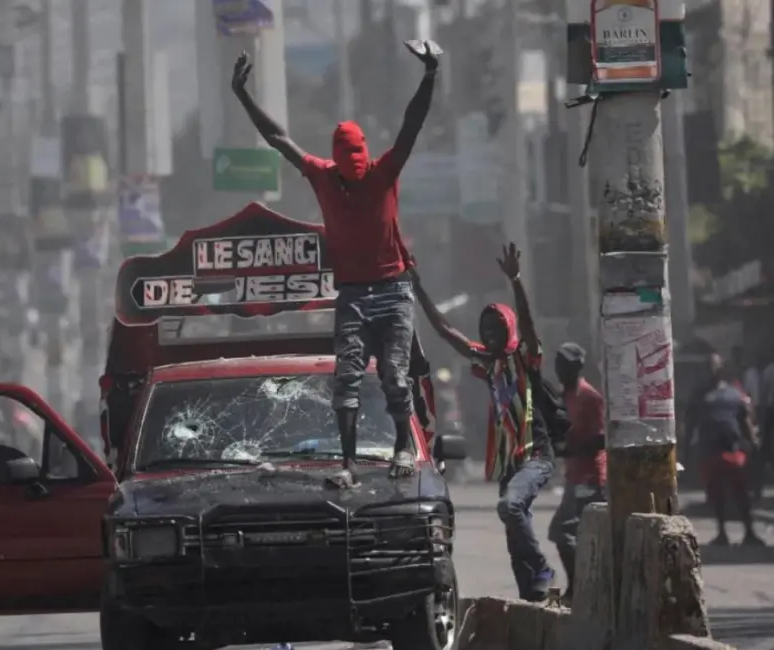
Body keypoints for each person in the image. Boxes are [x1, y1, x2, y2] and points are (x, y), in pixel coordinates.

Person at [231, 41, 439, 487]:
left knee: (395, 379)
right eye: (349, 167)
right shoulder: (323, 175)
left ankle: (403, 445)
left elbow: (411, 123)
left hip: (393, 291)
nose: (355, 172)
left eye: (359, 165)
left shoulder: (383, 172)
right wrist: (242, 95)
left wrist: (430, 74)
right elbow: (277, 138)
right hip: (352, 293)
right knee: (345, 380)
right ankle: (348, 465)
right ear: (338, 162)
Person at [410, 242, 556, 601]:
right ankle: (532, 598)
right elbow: (446, 331)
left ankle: (542, 567)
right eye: (485, 330)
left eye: (496, 329)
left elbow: (529, 322)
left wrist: (516, 280)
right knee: (512, 532)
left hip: (535, 456)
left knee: (509, 507)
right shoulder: (488, 364)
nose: (489, 336)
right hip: (510, 464)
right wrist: (417, 288)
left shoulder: (526, 357)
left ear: (508, 330)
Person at [546, 343, 606, 603]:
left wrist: (570, 450)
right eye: (558, 363)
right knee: (570, 532)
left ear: (577, 367)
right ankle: (583, 586)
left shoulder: (589, 397)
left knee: (564, 532)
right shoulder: (565, 396)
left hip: (590, 477)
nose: (560, 369)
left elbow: (601, 438)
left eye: (565, 364)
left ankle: (581, 587)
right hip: (574, 476)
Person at [686, 353, 765, 546]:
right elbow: (690, 424)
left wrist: (754, 443)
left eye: (715, 365)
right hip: (710, 452)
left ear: (722, 368)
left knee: (741, 493)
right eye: (708, 366)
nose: (712, 369)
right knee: (716, 494)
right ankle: (722, 533)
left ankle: (749, 532)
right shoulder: (698, 395)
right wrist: (687, 449)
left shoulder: (734, 393)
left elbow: (744, 420)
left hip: (733, 451)